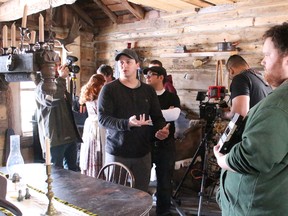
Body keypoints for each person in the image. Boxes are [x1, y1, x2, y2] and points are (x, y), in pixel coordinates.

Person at [213, 22, 288, 215]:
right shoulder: (261, 81)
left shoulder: (278, 105)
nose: (262, 61)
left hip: (253, 207)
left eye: (267, 55)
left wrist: (222, 160)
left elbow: (251, 157)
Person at [97, 48, 170, 192]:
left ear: (137, 65)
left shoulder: (148, 90)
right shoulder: (109, 89)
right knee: (115, 195)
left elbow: (157, 117)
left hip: (142, 152)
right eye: (121, 63)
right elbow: (103, 119)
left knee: (141, 195)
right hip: (118, 151)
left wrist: (161, 129)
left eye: (128, 62)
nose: (124, 66)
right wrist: (127, 123)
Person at [144, 66, 181, 216]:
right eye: (146, 74)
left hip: (166, 144)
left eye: (151, 74)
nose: (147, 77)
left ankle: (163, 212)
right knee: (142, 180)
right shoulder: (143, 96)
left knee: (165, 182)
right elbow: (141, 117)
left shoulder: (171, 97)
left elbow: (175, 114)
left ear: (161, 77)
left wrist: (151, 116)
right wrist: (165, 113)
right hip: (146, 143)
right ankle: (142, 211)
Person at [35, 63, 82, 171]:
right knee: (56, 174)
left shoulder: (59, 85)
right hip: (55, 139)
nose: (59, 68)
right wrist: (61, 78)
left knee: (73, 172)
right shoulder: (41, 87)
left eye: (59, 64)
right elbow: (51, 100)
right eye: (55, 65)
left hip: (70, 136)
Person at [78, 74, 105, 177]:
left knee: (89, 149)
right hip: (97, 125)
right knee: (98, 150)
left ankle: (90, 173)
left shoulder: (87, 91)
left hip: (89, 124)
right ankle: (99, 174)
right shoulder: (100, 94)